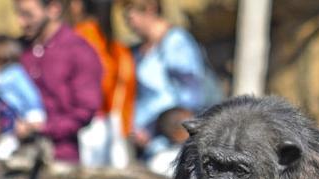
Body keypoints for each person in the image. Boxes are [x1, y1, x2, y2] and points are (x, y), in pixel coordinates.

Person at [122, 0, 219, 153]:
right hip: (144, 146)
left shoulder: (176, 43)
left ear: (150, 8)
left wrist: (155, 130)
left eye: (130, 14)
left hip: (169, 146)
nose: (128, 21)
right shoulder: (139, 51)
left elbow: (190, 98)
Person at [14, 0, 104, 164]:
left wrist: (43, 128)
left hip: (60, 158)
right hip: (14, 154)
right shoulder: (17, 50)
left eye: (28, 15)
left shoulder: (79, 51)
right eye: (18, 14)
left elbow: (85, 110)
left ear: (53, 9)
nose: (21, 22)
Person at [66, 0, 136, 137]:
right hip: (117, 124)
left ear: (78, 5)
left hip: (88, 125)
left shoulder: (79, 38)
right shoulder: (117, 46)